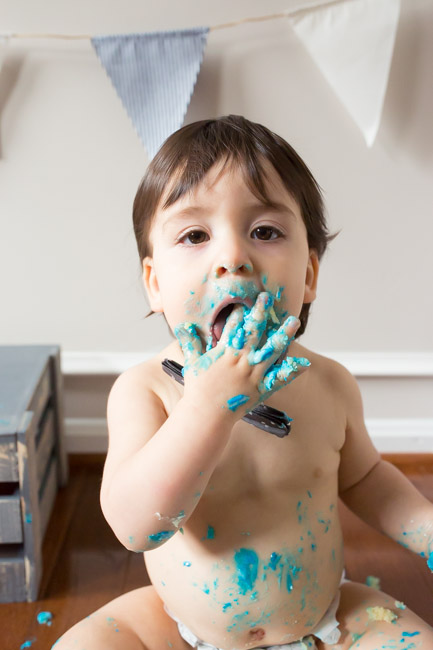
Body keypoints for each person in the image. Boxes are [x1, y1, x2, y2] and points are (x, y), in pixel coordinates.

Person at [55, 116, 433, 650]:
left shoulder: (328, 385)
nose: (232, 257)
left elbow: (366, 479)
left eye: (265, 232)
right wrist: (205, 409)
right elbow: (137, 526)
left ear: (308, 276)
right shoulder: (146, 392)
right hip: (179, 631)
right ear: (156, 284)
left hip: (324, 621)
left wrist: (426, 529)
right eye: (195, 235)